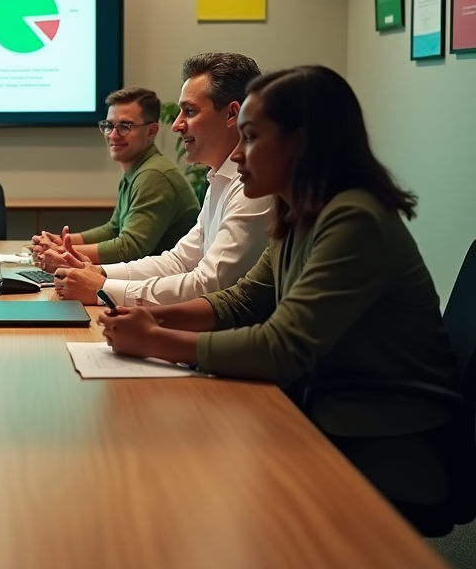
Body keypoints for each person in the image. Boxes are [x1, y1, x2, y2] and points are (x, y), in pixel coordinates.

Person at [99, 66, 455, 503]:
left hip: (378, 430)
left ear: (298, 144)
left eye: (251, 137)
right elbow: (241, 301)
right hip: (321, 404)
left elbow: (282, 347)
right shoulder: (298, 213)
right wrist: (151, 317)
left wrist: (154, 341)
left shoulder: (352, 220)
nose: (240, 155)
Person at [50, 53, 272, 306]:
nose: (177, 125)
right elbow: (179, 260)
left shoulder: (254, 186)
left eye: (189, 111)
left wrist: (102, 288)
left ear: (232, 114)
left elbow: (210, 284)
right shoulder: (219, 178)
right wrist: (100, 273)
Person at [32, 87, 199, 266]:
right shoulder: (137, 170)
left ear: (151, 131)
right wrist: (62, 241)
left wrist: (62, 251)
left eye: (125, 126)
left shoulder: (154, 176)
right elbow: (113, 229)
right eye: (109, 125)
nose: (113, 134)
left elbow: (129, 248)